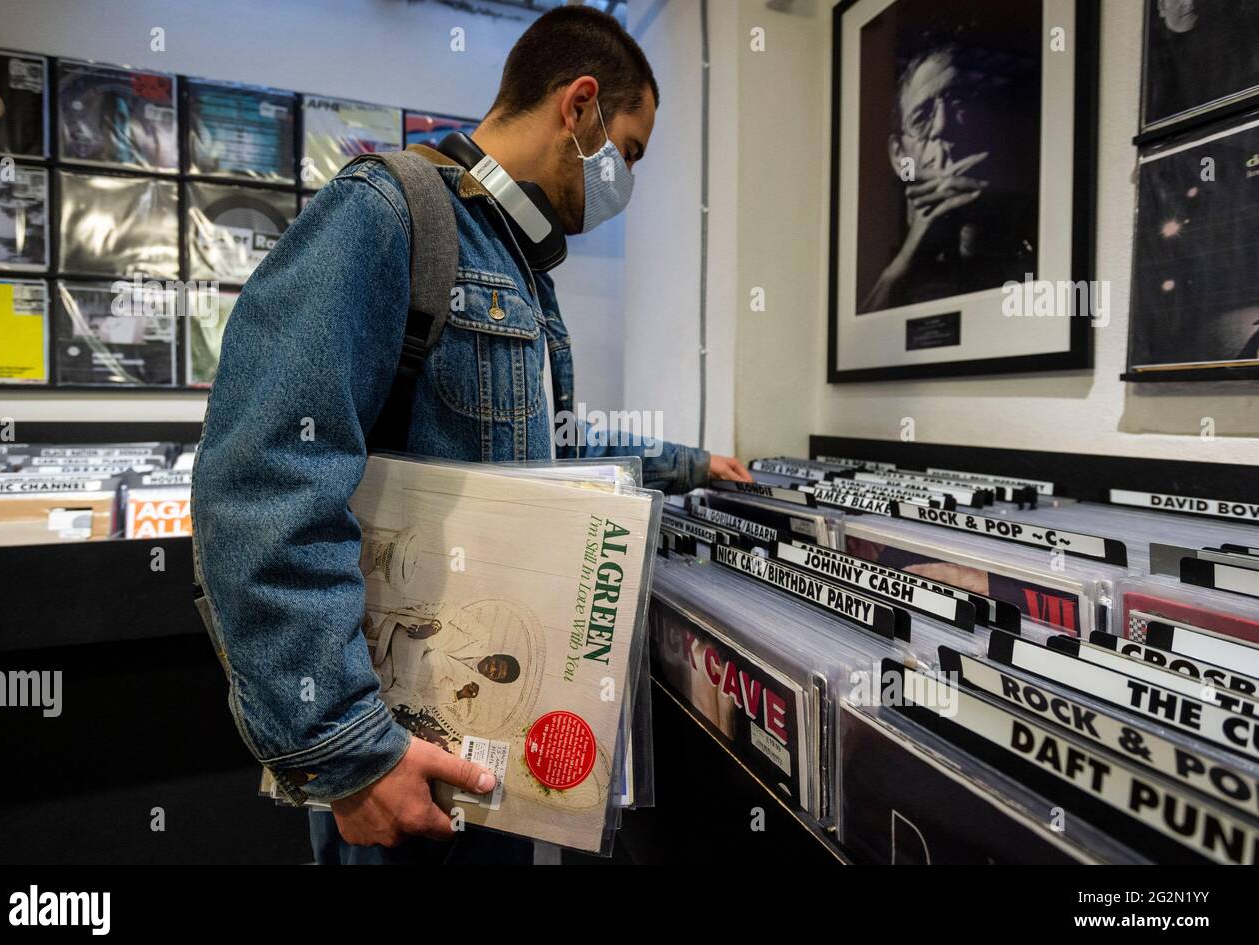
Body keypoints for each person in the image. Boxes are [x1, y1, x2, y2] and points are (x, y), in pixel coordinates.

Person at [191, 6, 750, 865]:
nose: (623, 179)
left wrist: (687, 464)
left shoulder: (517, 262)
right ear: (581, 106)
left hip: (480, 756)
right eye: (627, 152)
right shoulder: (385, 213)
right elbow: (264, 478)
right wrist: (346, 752)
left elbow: (552, 447)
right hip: (398, 762)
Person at [860, 43, 1034, 313]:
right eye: (922, 118)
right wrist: (908, 257)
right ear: (899, 156)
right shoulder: (873, 246)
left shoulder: (1014, 225)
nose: (943, 125)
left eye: (960, 107)